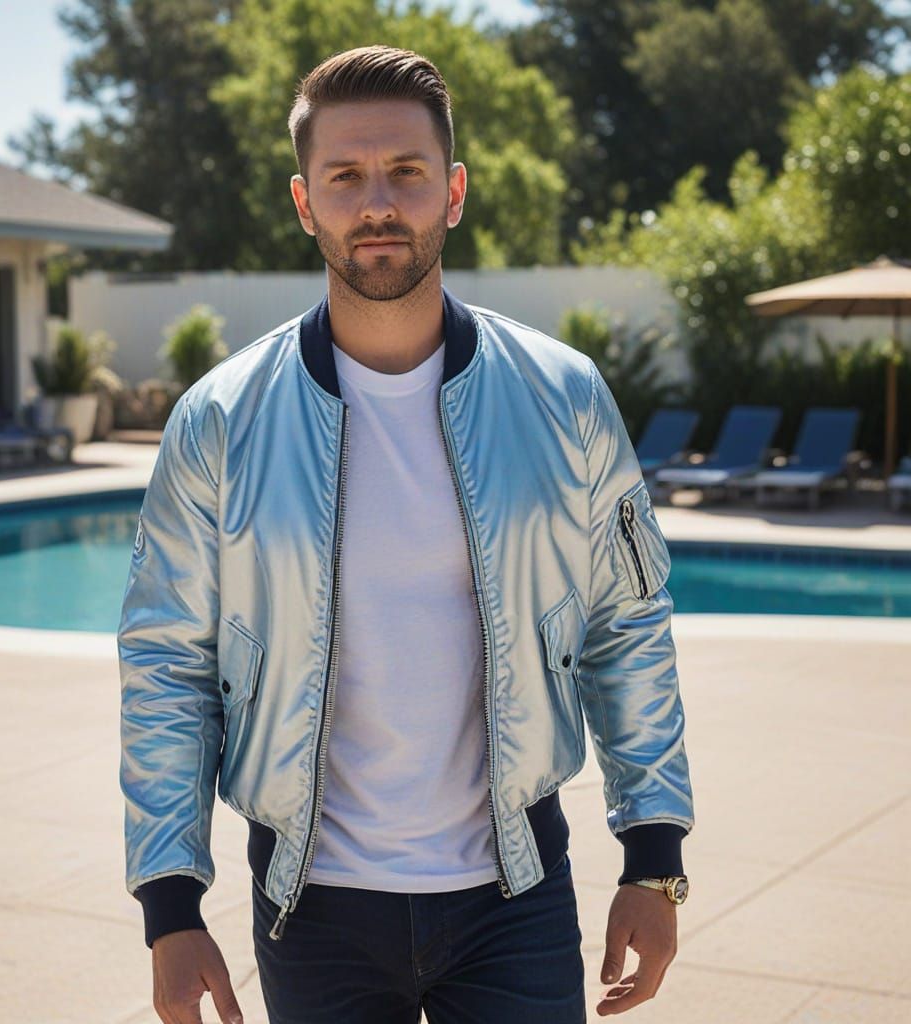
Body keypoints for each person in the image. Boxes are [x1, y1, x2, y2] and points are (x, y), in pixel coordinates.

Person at [118, 44, 694, 1024]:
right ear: (305, 202)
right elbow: (167, 663)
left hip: (515, 898)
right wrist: (170, 903)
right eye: (345, 175)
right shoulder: (218, 422)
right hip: (311, 908)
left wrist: (655, 851)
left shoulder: (564, 398)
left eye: (406, 172)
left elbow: (626, 623)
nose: (376, 202)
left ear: (454, 191)